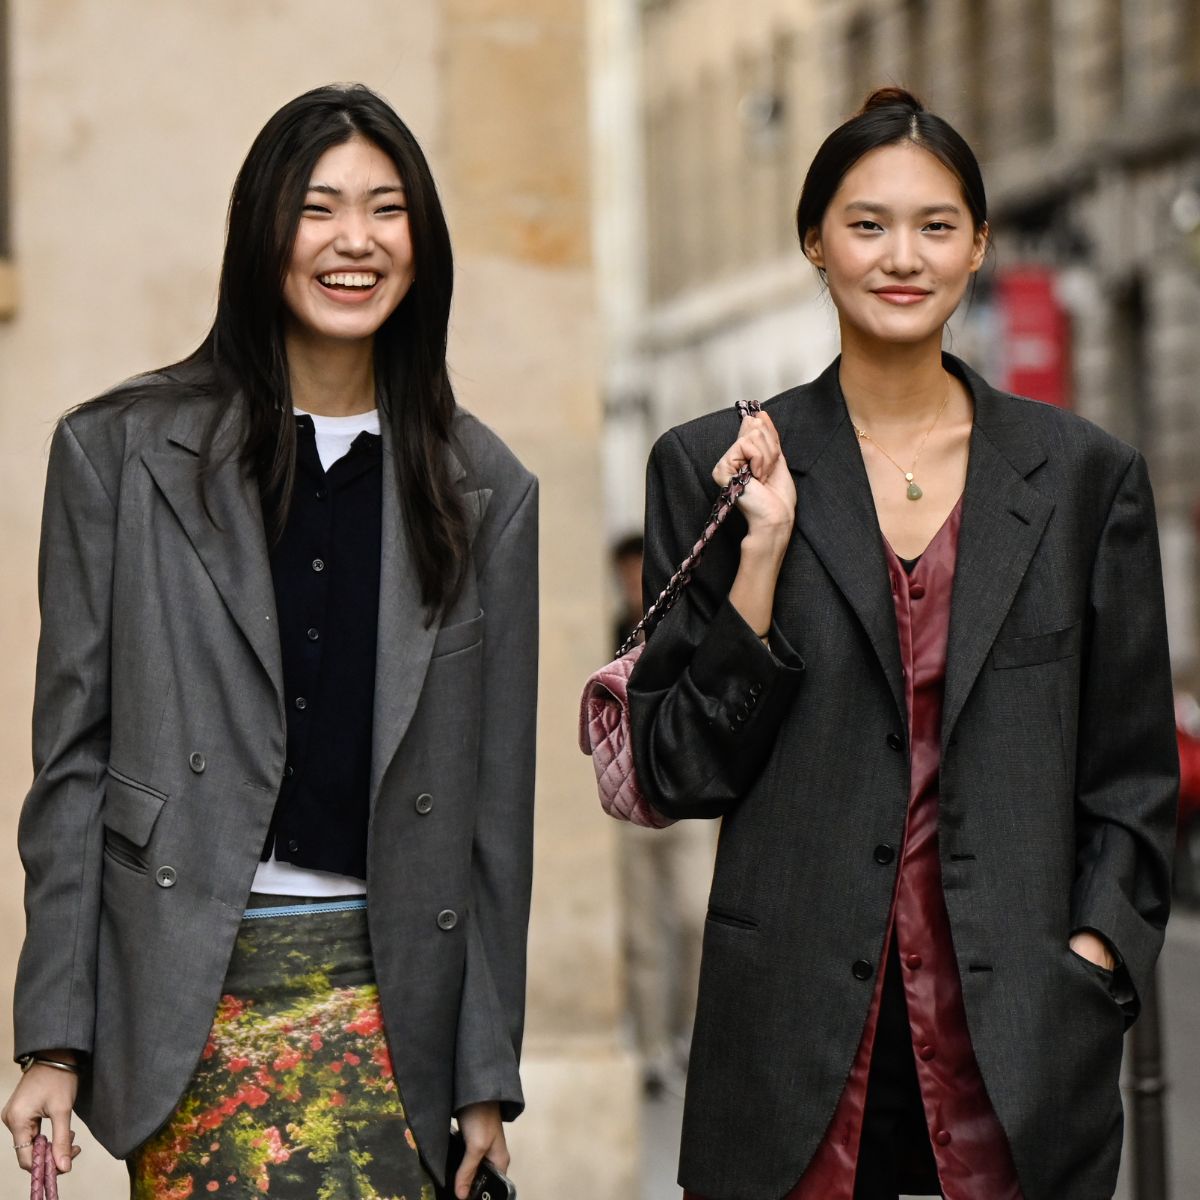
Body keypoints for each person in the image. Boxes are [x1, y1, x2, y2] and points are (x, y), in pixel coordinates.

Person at [628, 87, 1178, 1200]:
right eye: (867, 224)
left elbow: (1131, 776)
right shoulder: (715, 466)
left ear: (979, 244)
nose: (902, 257)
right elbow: (674, 768)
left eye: (935, 226)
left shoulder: (1083, 478)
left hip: (1018, 1047)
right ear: (813, 242)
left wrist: (1094, 959)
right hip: (791, 1052)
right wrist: (763, 561)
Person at [2, 84, 538, 1200]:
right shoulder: (119, 455)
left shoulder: (485, 489)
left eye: (386, 210)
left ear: (421, 241)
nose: (355, 242)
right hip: (191, 983)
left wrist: (483, 1071)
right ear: (264, 231)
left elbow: (495, 812)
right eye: (320, 207)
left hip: (393, 998)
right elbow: (73, 768)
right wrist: (54, 1038)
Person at [610, 534, 714, 1098]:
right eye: (624, 574)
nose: (632, 583)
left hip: (684, 797)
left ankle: (685, 1034)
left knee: (696, 918)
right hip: (628, 801)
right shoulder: (609, 632)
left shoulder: (685, 624)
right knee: (644, 933)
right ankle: (652, 1049)